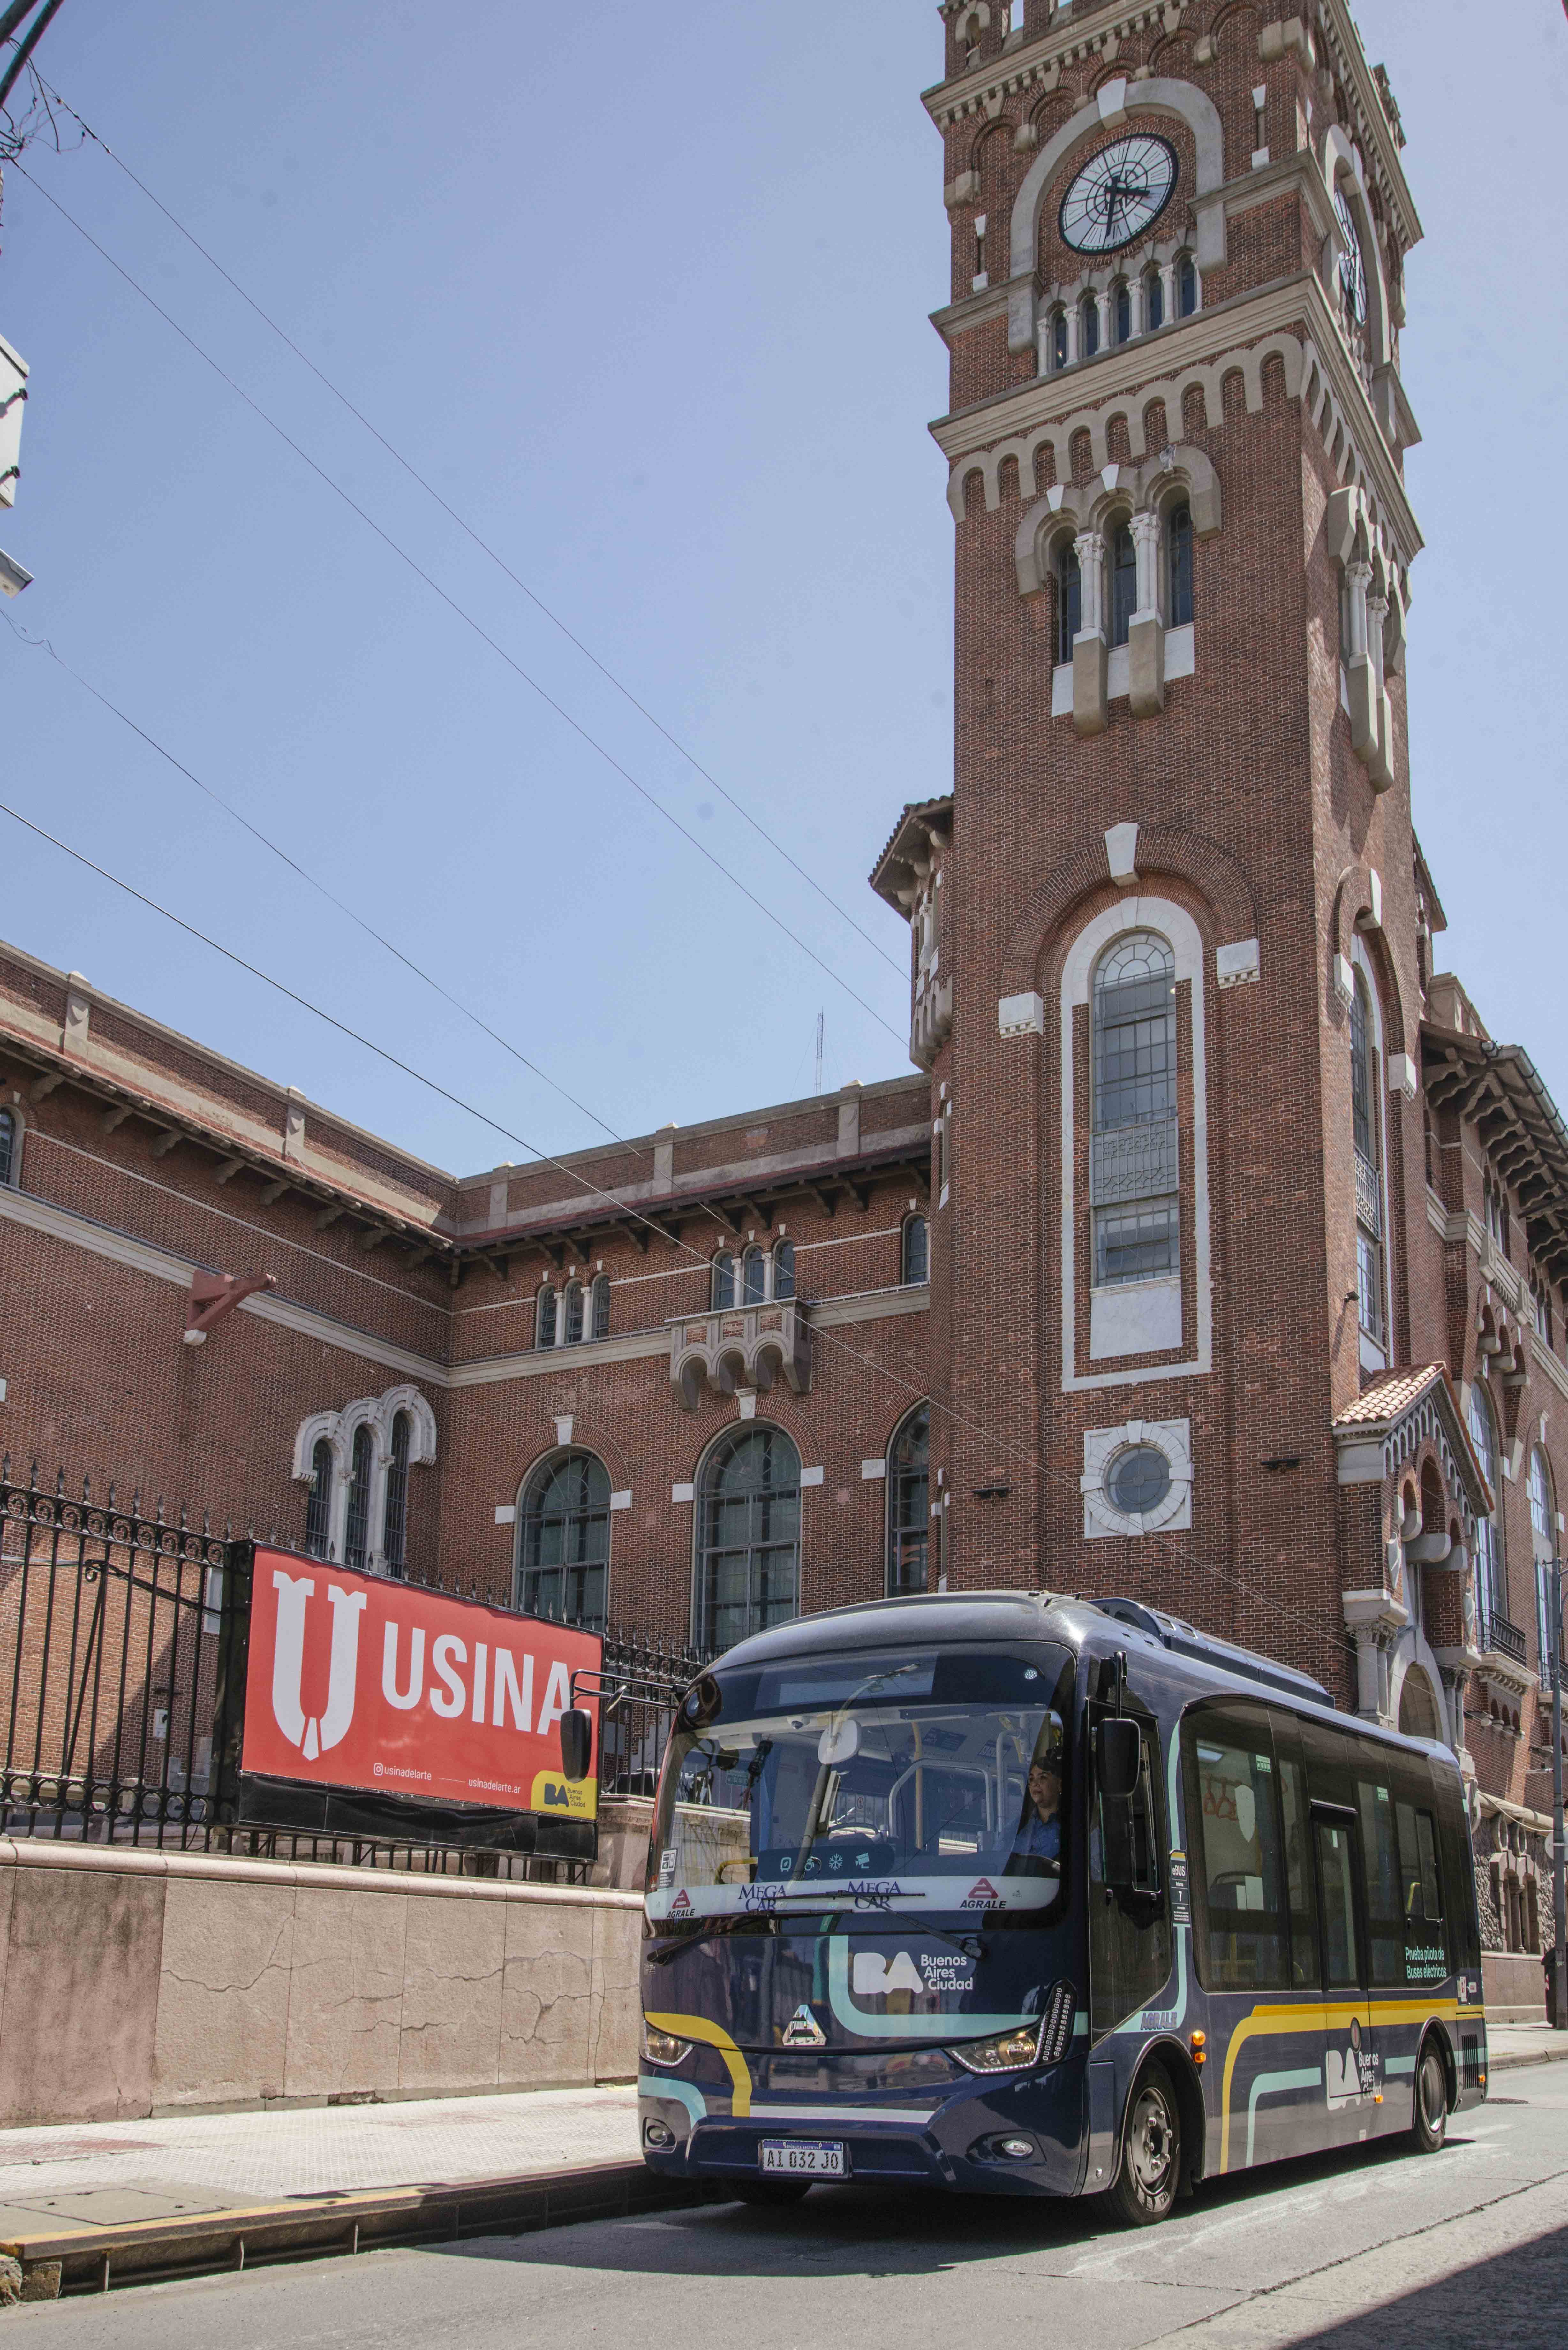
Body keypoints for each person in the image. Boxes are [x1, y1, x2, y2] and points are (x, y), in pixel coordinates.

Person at [1008, 1755, 1063, 1870]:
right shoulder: (1016, 1826)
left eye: (1043, 1778)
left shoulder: (1075, 1825)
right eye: (1032, 1779)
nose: (1035, 1784)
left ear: (1060, 1785)